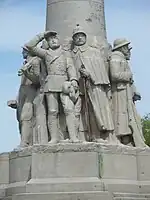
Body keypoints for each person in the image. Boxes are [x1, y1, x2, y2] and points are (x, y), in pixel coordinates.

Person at [25, 31, 79, 143]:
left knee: (69, 110)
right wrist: (41, 35)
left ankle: (74, 137)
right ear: (47, 42)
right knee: (52, 111)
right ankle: (54, 138)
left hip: (64, 83)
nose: (53, 41)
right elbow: (29, 46)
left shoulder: (65, 53)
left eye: (55, 38)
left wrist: (73, 79)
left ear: (59, 40)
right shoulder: (45, 54)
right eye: (50, 39)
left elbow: (70, 67)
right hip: (51, 83)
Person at [71, 24, 115, 143]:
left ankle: (97, 135)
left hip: (93, 85)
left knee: (94, 110)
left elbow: (100, 71)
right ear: (73, 39)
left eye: (81, 36)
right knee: (76, 112)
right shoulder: (71, 54)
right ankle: (78, 136)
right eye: (77, 36)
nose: (79, 38)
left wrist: (90, 75)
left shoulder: (93, 52)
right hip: (76, 87)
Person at [109, 38, 147, 147]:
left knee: (129, 116)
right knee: (121, 116)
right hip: (119, 92)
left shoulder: (122, 59)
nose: (128, 50)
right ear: (122, 48)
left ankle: (128, 139)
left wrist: (134, 90)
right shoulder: (116, 58)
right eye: (127, 48)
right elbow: (115, 75)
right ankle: (124, 139)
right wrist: (128, 76)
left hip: (126, 92)